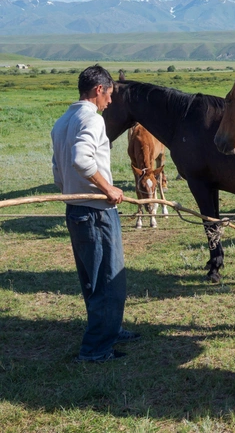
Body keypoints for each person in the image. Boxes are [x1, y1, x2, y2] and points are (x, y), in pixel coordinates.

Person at [51, 64, 140, 363]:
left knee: (93, 278)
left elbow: (58, 169)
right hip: (96, 212)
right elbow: (80, 159)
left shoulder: (63, 120)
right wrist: (108, 189)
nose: (111, 102)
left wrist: (70, 191)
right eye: (110, 95)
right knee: (109, 279)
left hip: (76, 209)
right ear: (98, 90)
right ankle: (96, 349)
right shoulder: (93, 120)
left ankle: (109, 329)